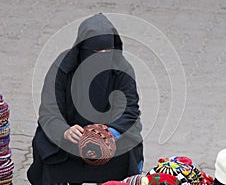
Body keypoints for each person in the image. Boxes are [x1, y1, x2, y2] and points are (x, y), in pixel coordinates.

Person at [27, 13, 143, 185]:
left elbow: (129, 110)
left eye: (107, 52)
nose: (101, 57)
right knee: (45, 140)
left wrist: (106, 134)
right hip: (71, 140)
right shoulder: (63, 66)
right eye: (95, 52)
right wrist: (65, 131)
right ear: (82, 50)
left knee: (131, 144)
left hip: (110, 140)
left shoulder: (122, 68)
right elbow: (49, 111)